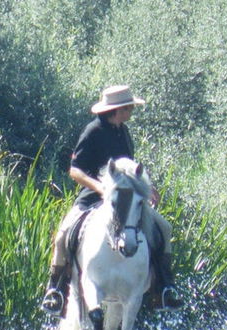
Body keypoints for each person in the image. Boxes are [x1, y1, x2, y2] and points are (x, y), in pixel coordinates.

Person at [41, 85, 183, 315]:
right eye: (130, 108)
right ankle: (55, 291)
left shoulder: (123, 132)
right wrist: (100, 187)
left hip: (126, 199)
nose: (132, 113)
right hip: (92, 197)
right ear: (118, 110)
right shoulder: (92, 131)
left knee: (164, 229)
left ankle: (165, 288)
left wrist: (147, 188)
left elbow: (130, 169)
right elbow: (75, 171)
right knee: (62, 236)